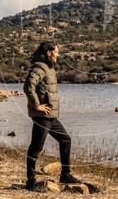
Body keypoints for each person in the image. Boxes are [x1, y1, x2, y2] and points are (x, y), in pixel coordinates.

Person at [23, 41, 82, 190]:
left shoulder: (49, 67)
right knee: (36, 148)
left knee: (65, 140)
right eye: (56, 52)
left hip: (51, 116)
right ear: (49, 52)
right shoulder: (40, 67)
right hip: (43, 116)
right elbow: (28, 86)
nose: (58, 54)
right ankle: (30, 182)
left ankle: (65, 174)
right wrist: (37, 106)